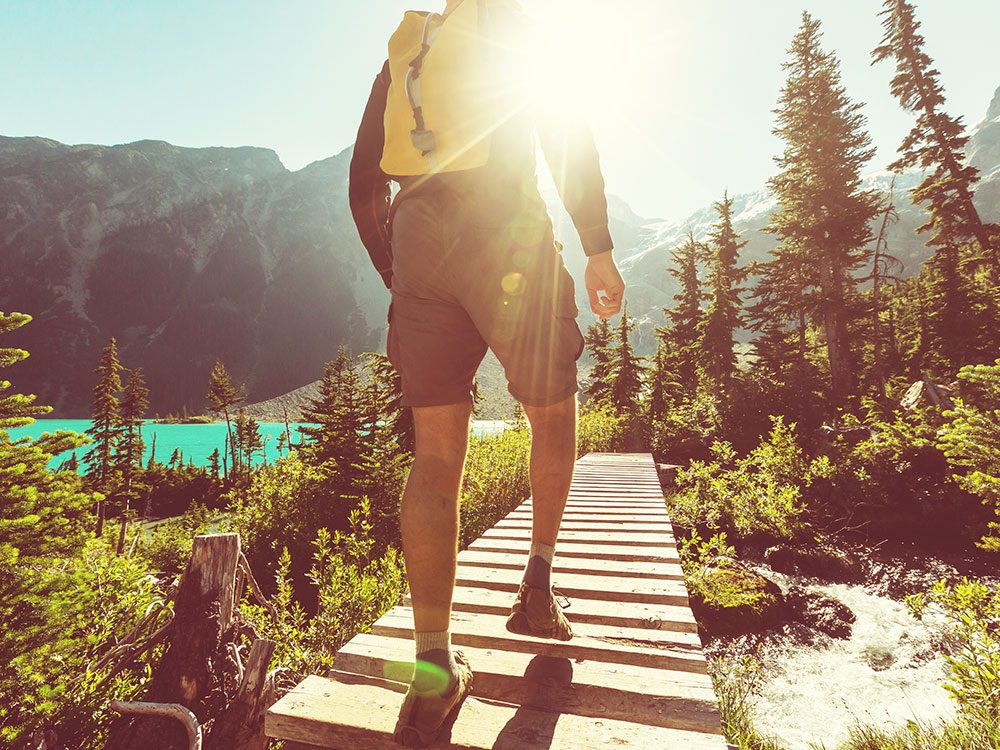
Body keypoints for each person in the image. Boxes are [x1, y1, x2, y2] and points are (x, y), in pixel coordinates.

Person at [349, 0, 625, 745]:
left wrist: (397, 266)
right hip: (505, 230)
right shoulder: (515, 32)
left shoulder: (409, 52)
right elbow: (566, 137)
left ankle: (432, 672)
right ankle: (537, 582)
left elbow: (361, 184)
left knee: (435, 457)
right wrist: (597, 245)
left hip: (418, 234)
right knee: (553, 410)